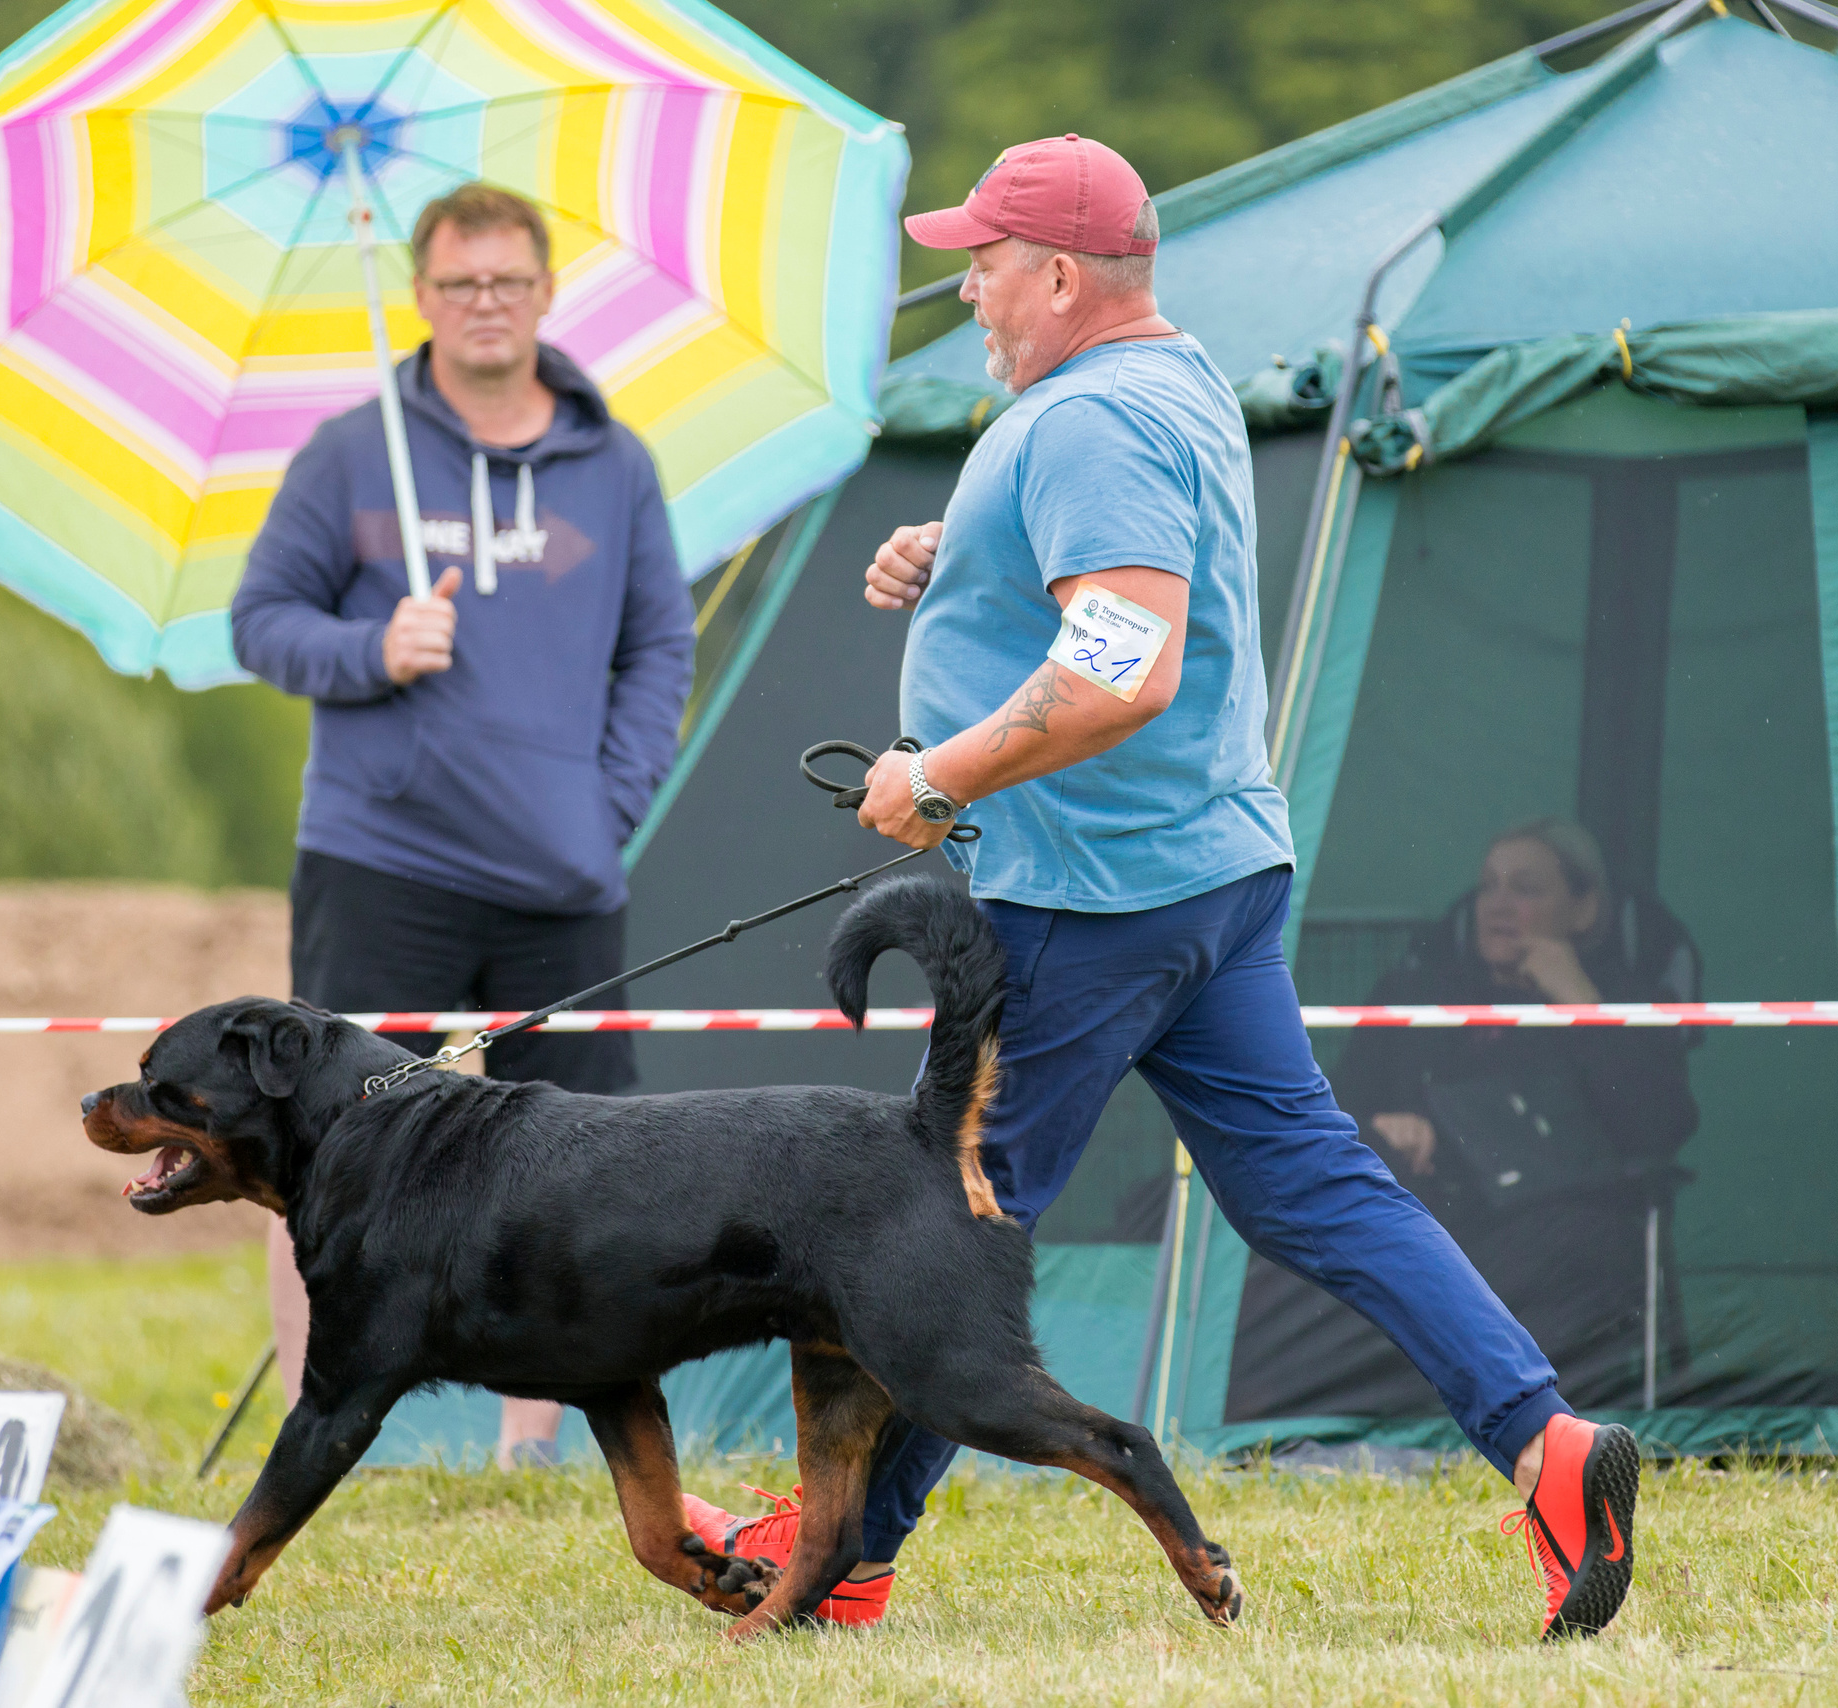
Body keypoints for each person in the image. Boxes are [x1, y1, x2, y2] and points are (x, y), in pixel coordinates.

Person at [679, 135, 1642, 1640]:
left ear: (1060, 275)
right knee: (1311, 1184)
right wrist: (975, 557)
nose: (971, 292)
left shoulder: (1084, 424)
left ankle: (845, 1553)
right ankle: (1550, 1447)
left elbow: (1126, 664)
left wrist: (935, 781)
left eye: (986, 267)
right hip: (1215, 877)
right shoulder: (1168, 376)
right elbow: (1122, 570)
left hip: (1086, 899)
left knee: (947, 1216)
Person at [230, 182, 694, 1470]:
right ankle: (316, 1432)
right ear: (423, 297)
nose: (483, 304)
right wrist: (371, 646)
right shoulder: (348, 451)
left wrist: (608, 807)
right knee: (317, 1152)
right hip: (383, 863)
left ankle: (529, 1450)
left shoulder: (614, 465)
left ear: (544, 294)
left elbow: (660, 645)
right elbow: (259, 620)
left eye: (506, 281)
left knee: (578, 1162)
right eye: (457, 284)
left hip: (564, 869)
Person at [1330, 820, 1700, 1405]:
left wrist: (1582, 1001)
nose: (1497, 905)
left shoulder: (1617, 995)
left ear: (1583, 910)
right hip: (1434, 1215)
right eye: (1488, 887)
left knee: (1549, 1251)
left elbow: (1661, 1123)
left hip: (1564, 1227)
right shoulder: (1420, 990)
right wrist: (1384, 1126)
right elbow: (1331, 1106)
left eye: (1525, 888)